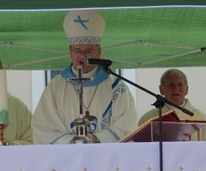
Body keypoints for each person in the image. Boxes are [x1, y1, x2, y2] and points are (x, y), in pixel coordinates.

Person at [32, 10, 137, 144]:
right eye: (77, 51)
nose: (83, 56)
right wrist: (72, 141)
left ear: (98, 52)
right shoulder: (56, 86)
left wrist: (96, 139)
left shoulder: (115, 85)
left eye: (89, 51)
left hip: (104, 158)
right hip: (67, 158)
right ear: (70, 52)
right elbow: (43, 127)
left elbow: (127, 125)